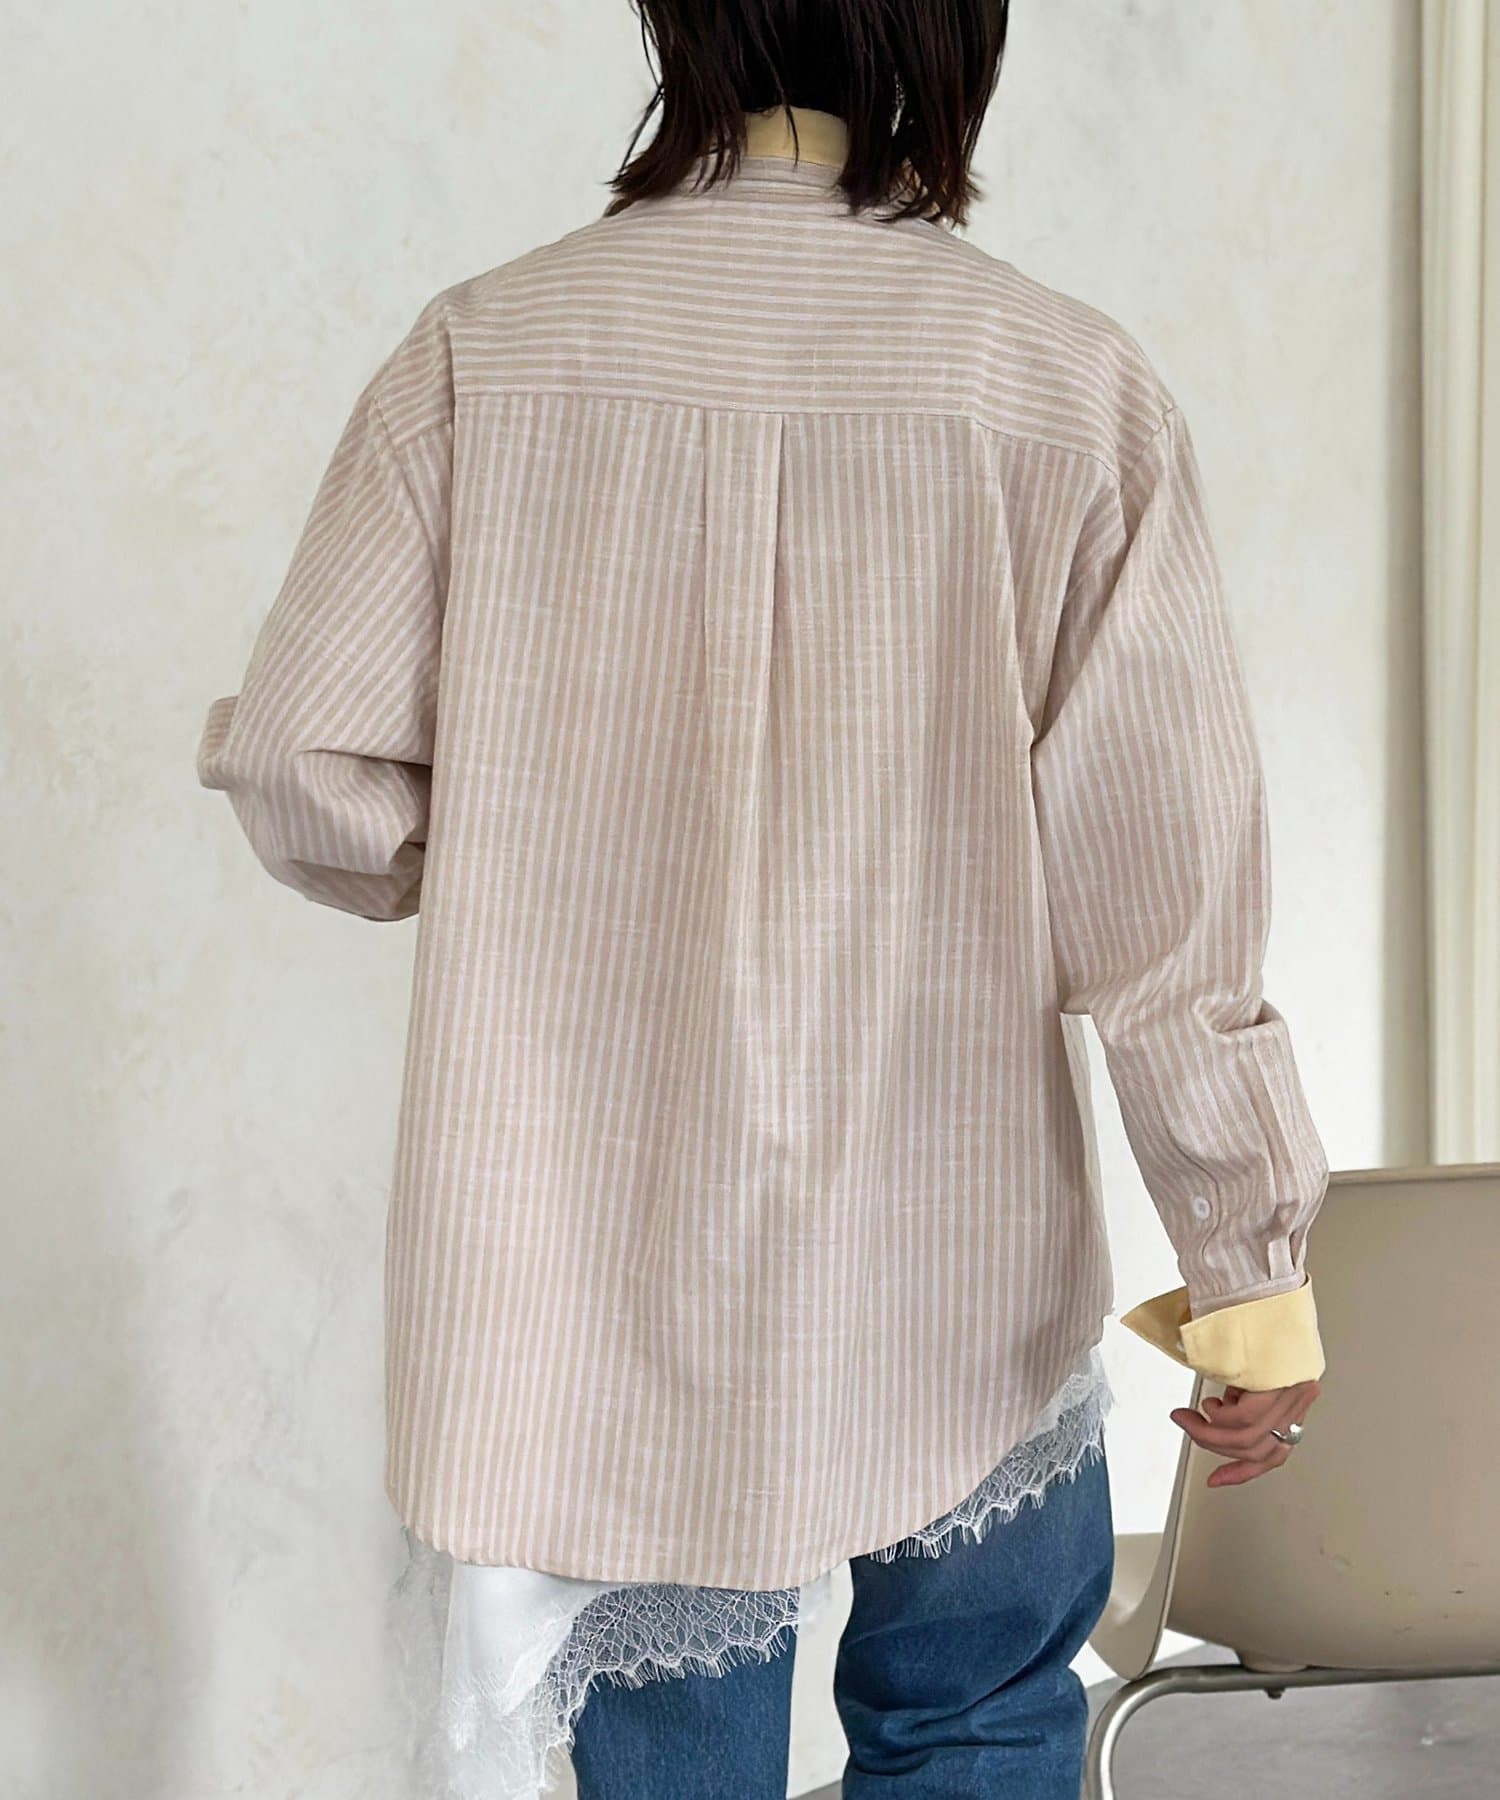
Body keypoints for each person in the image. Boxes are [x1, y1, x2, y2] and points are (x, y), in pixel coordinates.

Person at [195, 3, 1328, 1794]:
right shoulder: (1063, 386)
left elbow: (297, 764)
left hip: (602, 1274)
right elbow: (1166, 897)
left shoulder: (486, 353)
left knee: (674, 1766)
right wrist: (1247, 1273)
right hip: (958, 1251)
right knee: (976, 1721)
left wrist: (494, 857)